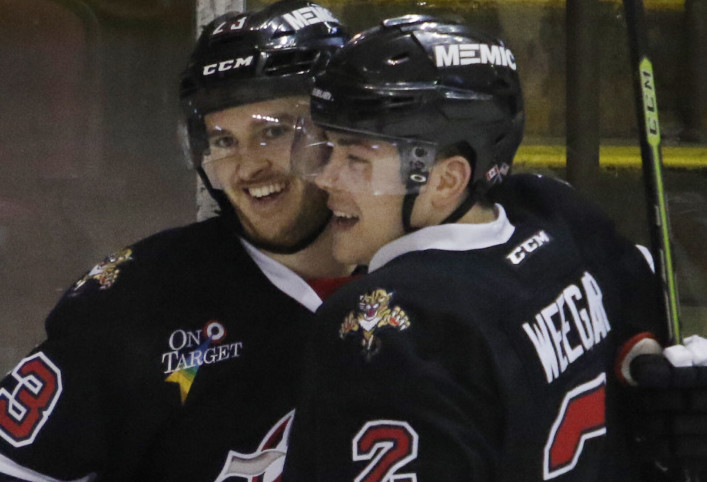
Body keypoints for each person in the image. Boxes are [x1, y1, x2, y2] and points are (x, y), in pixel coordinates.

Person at [282, 15, 707, 481]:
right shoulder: (554, 213)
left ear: (447, 179)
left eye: (357, 160)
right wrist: (646, 362)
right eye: (327, 150)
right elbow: (631, 293)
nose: (325, 179)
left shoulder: (389, 326)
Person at [0, 2, 350, 481]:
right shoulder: (141, 296)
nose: (247, 168)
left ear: (344, 131)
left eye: (273, 132)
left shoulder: (426, 277)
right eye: (224, 141)